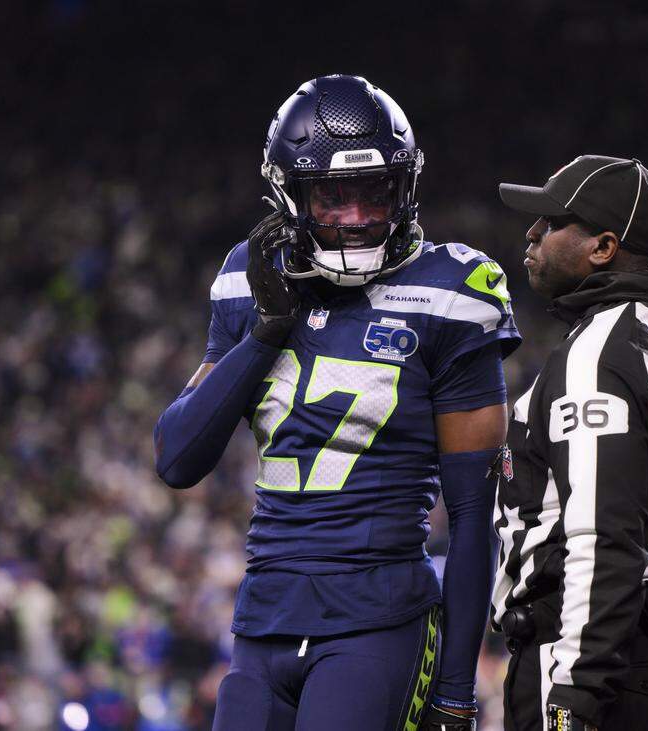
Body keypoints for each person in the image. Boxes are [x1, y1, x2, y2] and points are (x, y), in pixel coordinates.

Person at [153, 74, 521, 730]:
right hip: (263, 619)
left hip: (376, 622)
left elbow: (473, 514)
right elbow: (177, 456)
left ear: (403, 188)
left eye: (372, 195)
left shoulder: (452, 291)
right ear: (290, 197)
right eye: (331, 198)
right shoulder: (249, 277)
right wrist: (266, 329)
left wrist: (457, 692)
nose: (354, 219)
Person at [493, 156, 648, 730]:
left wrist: (573, 697)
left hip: (593, 667)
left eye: (552, 223)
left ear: (603, 247)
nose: (532, 234)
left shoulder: (598, 355)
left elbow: (602, 538)